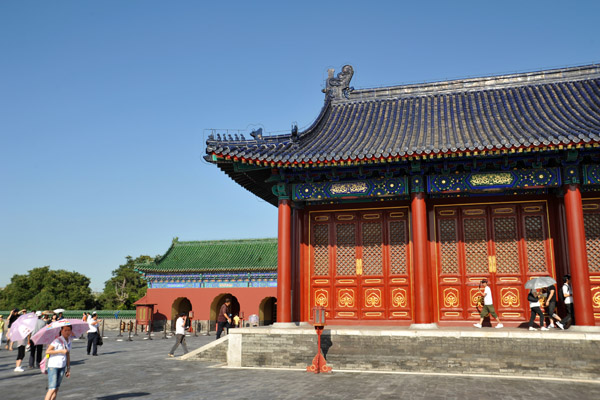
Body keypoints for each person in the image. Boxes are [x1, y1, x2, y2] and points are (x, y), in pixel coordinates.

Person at [44, 325, 72, 400]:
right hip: (53, 366)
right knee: (52, 388)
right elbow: (47, 351)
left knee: (56, 388)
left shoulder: (69, 341)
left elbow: (68, 355)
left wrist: (68, 368)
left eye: (69, 330)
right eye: (65, 330)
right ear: (61, 331)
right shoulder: (57, 340)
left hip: (62, 366)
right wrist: (60, 351)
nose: (67, 332)